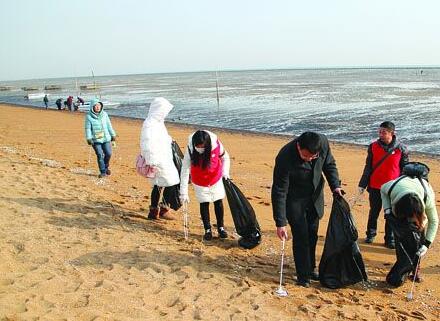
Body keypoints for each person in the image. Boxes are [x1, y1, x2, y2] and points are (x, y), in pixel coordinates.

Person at [272, 131, 342, 287]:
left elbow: (329, 164)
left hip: (315, 198)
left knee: (312, 235)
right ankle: (303, 275)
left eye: (313, 157)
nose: (309, 160)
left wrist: (335, 186)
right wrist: (280, 222)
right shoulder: (285, 156)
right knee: (301, 237)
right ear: (298, 147)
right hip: (294, 199)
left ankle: (310, 268)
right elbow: (279, 190)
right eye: (305, 157)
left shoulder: (322, 142)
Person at [358, 121, 409, 248]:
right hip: (375, 186)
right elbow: (368, 167)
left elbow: (405, 170)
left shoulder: (402, 149)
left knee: (391, 214)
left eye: (384, 132)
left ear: (392, 133)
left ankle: (389, 238)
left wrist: (406, 186)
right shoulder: (373, 146)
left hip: (393, 188)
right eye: (379, 131)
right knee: (374, 211)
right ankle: (370, 234)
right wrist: (362, 184)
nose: (380, 134)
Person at [381, 175, 438, 286]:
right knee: (401, 240)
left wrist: (426, 244)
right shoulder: (392, 188)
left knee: (418, 242)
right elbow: (383, 189)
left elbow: (434, 221)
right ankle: (403, 263)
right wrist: (387, 209)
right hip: (400, 206)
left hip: (420, 212)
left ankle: (416, 270)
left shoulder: (428, 197)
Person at [179, 130, 230, 240]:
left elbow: (225, 157)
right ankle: (207, 229)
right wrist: (183, 192)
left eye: (202, 147)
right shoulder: (190, 149)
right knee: (204, 203)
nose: (199, 149)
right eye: (197, 146)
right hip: (199, 180)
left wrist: (225, 172)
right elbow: (184, 169)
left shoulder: (216, 145)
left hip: (215, 178)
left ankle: (221, 227)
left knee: (218, 202)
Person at [140, 97, 179, 220]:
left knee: (164, 183)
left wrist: (170, 140)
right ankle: (161, 209)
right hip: (157, 159)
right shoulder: (150, 124)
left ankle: (156, 209)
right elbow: (147, 143)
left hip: (164, 157)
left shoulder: (158, 122)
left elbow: (163, 136)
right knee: (166, 183)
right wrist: (152, 161)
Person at [84, 98, 116, 178]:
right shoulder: (88, 116)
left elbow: (109, 125)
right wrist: (89, 138)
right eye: (96, 106)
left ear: (101, 106)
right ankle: (102, 172)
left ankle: (106, 167)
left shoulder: (105, 114)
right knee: (99, 154)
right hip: (95, 140)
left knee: (108, 153)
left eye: (99, 105)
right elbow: (87, 128)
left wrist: (113, 135)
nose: (98, 107)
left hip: (106, 138)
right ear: (92, 107)